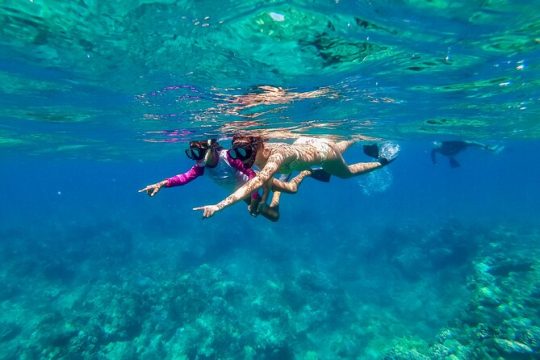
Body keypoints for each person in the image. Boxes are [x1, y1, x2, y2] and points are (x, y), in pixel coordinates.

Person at [193, 135, 399, 218]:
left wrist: (218, 206)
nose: (242, 157)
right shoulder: (255, 153)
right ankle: (355, 136)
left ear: (259, 145)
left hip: (323, 154)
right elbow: (263, 181)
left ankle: (381, 162)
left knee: (345, 173)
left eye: (245, 152)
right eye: (238, 153)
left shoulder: (276, 155)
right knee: (338, 146)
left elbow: (257, 181)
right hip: (308, 144)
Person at [138, 138, 315, 222]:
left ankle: (304, 173)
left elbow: (253, 176)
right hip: (241, 193)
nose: (197, 158)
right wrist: (161, 184)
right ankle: (276, 194)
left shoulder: (228, 158)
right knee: (273, 216)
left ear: (212, 149)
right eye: (193, 154)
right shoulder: (201, 166)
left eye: (199, 152)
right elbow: (183, 178)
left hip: (255, 186)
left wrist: (255, 198)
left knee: (292, 189)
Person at [431, 140, 502, 168]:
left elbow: (433, 153)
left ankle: (488, 149)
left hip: (454, 150)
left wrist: (434, 162)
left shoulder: (446, 143)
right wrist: (434, 162)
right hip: (453, 151)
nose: (437, 146)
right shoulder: (437, 148)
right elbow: (433, 154)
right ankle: (489, 149)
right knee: (471, 144)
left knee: (471, 144)